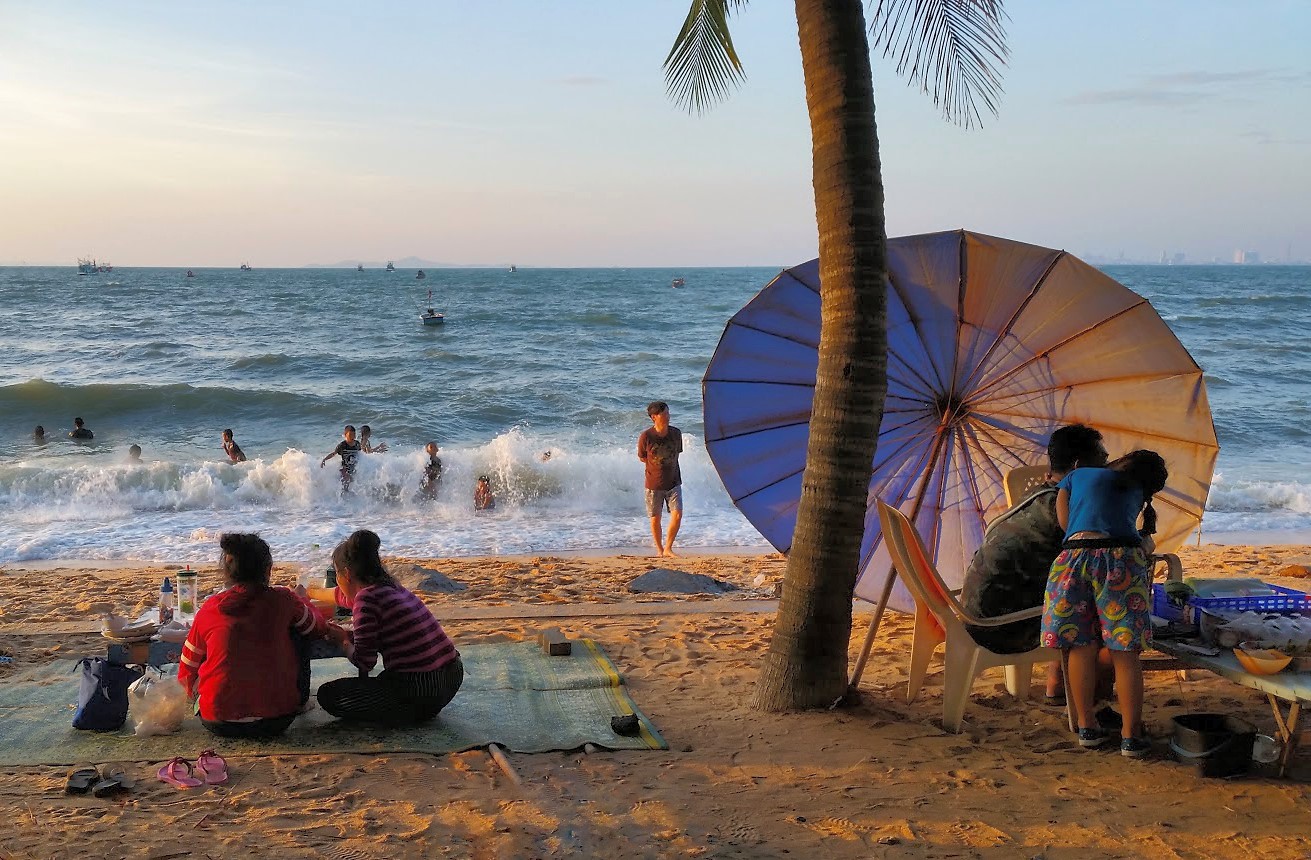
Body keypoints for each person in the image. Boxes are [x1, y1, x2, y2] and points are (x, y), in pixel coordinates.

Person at [959, 425, 1110, 702]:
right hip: (1001, 628)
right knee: (1105, 610)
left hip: (976, 611)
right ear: (1079, 467)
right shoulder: (1066, 511)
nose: (1107, 469)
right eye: (1102, 461)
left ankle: (1061, 686)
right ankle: (1083, 699)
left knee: (1076, 590)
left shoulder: (1040, 493)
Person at [1041, 449, 1169, 759]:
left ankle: (1087, 727)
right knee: (1125, 653)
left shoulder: (1076, 474)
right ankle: (1131, 736)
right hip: (1122, 562)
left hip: (1074, 560)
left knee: (1079, 646)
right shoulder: (1136, 490)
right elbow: (1129, 533)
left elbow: (1064, 524)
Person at [177, 533, 339, 738]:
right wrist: (302, 601)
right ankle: (299, 701)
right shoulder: (284, 600)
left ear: (226, 573)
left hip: (217, 720)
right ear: (268, 570)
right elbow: (318, 628)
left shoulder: (210, 608)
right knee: (298, 632)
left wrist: (197, 696)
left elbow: (187, 669)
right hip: (277, 719)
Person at [315, 530, 463, 725]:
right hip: (451, 675)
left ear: (347, 574)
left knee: (328, 695)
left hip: (420, 689)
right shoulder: (391, 586)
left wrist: (343, 640)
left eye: (337, 576)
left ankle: (408, 713)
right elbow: (346, 599)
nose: (338, 583)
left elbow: (364, 662)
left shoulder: (365, 600)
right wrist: (311, 591)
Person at [637, 400, 683, 558]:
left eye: (668, 413)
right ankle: (659, 549)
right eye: (664, 414)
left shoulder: (676, 433)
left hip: (674, 482)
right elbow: (642, 457)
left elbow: (678, 453)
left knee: (677, 514)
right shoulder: (646, 436)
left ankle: (668, 548)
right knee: (655, 518)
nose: (668, 416)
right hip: (653, 483)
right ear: (654, 417)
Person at [321, 425, 363, 491]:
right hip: (345, 469)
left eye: (354, 434)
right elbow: (333, 453)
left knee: (353, 485)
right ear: (345, 435)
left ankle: (351, 497)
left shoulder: (357, 444)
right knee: (345, 485)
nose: (352, 437)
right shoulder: (342, 445)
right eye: (350, 435)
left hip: (354, 468)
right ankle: (341, 497)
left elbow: (361, 454)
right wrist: (324, 459)